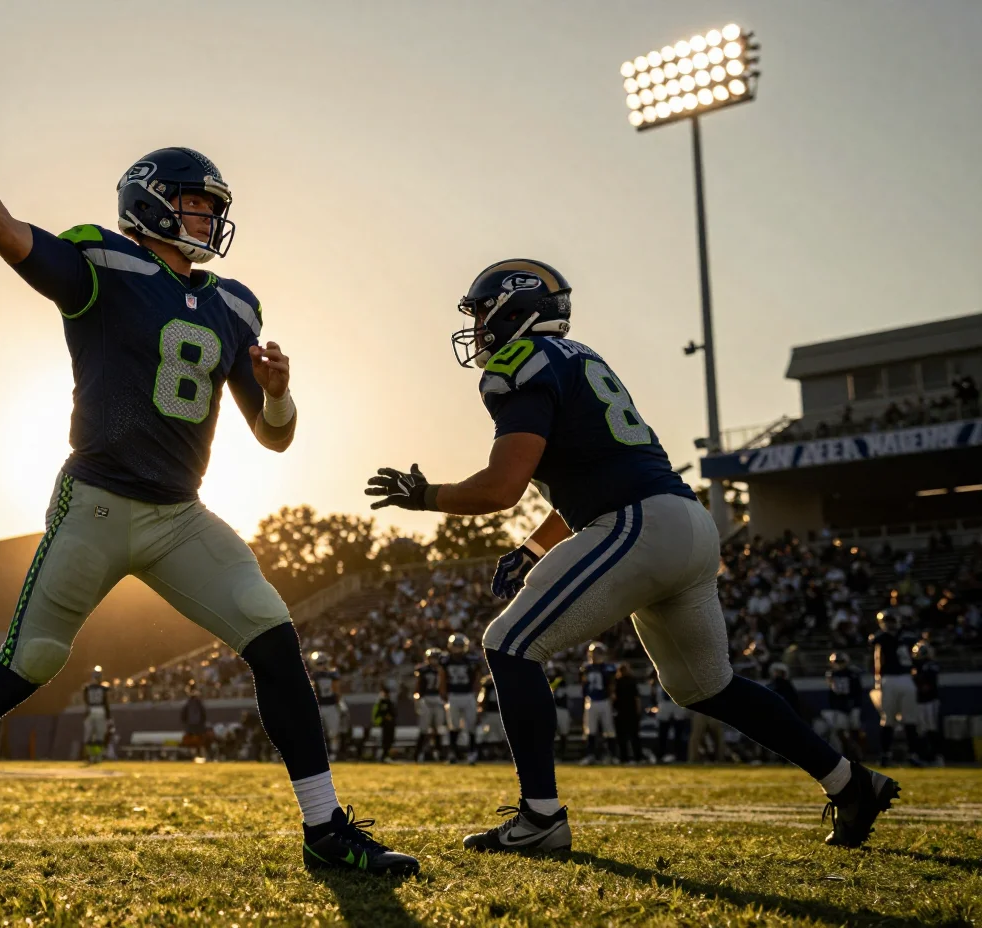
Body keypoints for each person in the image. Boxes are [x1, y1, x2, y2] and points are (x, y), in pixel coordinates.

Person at [0, 97, 415, 879]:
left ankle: (324, 829)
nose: (209, 220)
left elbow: (274, 436)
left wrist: (278, 389)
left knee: (274, 635)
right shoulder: (102, 264)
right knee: (28, 664)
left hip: (181, 516)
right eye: (195, 204)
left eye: (214, 208)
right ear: (149, 203)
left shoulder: (234, 305)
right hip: (98, 504)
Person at [366, 258, 898, 853]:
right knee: (707, 687)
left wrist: (425, 496)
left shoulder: (521, 363)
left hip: (638, 521)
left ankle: (540, 818)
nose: (480, 328)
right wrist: (533, 546)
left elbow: (501, 488)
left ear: (513, 308)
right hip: (684, 525)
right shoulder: (583, 358)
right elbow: (589, 479)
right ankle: (849, 783)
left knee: (510, 645)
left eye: (483, 312)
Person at [870, 611, 918, 764]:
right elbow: (876, 650)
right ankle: (885, 754)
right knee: (887, 719)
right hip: (888, 678)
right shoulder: (881, 638)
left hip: (906, 677)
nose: (890, 624)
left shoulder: (908, 637)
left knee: (910, 719)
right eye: (887, 621)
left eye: (892, 620)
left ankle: (913, 755)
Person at [440, 633, 481, 765]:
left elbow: (476, 678)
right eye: (455, 646)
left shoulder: (471, 660)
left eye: (460, 646)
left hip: (468, 694)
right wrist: (443, 693)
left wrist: (476, 693)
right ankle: (453, 753)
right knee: (454, 726)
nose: (457, 648)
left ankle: (472, 753)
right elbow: (442, 678)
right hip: (453, 695)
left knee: (471, 725)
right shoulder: (445, 660)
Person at [823, 652, 869, 761]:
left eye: (840, 662)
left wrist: (854, 704)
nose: (838, 664)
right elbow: (833, 693)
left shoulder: (852, 673)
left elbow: (857, 691)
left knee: (855, 730)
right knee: (840, 731)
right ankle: (847, 753)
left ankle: (859, 753)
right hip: (840, 707)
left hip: (853, 705)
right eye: (836, 662)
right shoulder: (831, 674)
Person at [578, 643, 617, 765]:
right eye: (593, 653)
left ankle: (612, 755)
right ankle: (590, 755)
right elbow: (584, 685)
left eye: (598, 653)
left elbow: (611, 681)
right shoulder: (586, 668)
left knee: (609, 729)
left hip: (605, 700)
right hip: (591, 701)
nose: (595, 655)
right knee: (590, 730)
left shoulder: (608, 668)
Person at [909, 642, 942, 766]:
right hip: (919, 701)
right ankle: (924, 756)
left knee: (931, 728)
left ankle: (936, 756)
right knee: (921, 730)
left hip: (929, 700)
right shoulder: (915, 666)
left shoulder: (930, 665)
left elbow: (927, 685)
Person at [413, 648, 447, 762]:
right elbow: (418, 686)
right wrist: (417, 699)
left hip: (437, 698)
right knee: (424, 728)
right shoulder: (423, 670)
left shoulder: (442, 670)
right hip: (426, 698)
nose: (434, 661)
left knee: (438, 728)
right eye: (432, 658)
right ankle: (417, 754)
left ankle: (439, 753)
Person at [308, 651, 345, 758]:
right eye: (319, 663)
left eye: (323, 663)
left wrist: (339, 703)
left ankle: (333, 753)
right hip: (318, 706)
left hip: (331, 705)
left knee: (333, 731)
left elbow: (337, 690)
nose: (322, 666)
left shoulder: (332, 675)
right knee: (316, 732)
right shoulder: (312, 676)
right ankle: (317, 754)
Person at [650, 666, 685, 763]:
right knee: (663, 731)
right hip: (664, 703)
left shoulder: (678, 671)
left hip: (676, 702)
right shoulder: (660, 668)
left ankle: (679, 755)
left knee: (678, 731)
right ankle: (661, 754)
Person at [611, 661, 643, 765]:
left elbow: (613, 697)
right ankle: (638, 757)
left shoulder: (617, 681)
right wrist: (638, 711)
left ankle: (624, 758)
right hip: (631, 712)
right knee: (634, 736)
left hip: (621, 712)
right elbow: (637, 698)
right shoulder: (632, 681)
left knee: (622, 737)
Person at [81, 667, 111, 765]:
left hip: (90, 711)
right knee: (99, 736)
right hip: (100, 710)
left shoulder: (87, 688)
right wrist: (109, 717)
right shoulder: (103, 688)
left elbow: (85, 701)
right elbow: (106, 702)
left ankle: (91, 756)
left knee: (89, 736)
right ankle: (97, 756)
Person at [545, 661, 572, 760]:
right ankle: (552, 755)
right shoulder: (547, 681)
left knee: (563, 733)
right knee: (550, 734)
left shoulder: (561, 682)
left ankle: (562, 754)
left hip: (561, 709)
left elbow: (556, 686)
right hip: (551, 709)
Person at [476, 674, 505, 762]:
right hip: (489, 713)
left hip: (499, 713)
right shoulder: (487, 687)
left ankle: (500, 754)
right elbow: (482, 701)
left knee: (500, 735)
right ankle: (487, 754)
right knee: (488, 734)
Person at [180, 681, 209, 760]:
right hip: (199, 726)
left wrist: (185, 723)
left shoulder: (188, 703)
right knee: (200, 742)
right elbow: (203, 714)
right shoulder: (198, 702)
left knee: (192, 743)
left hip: (190, 726)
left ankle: (194, 756)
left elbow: (183, 715)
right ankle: (202, 756)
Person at [371, 685, 397, 762]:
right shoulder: (380, 702)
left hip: (390, 725)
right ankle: (383, 756)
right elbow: (377, 713)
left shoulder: (390, 702)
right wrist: (383, 717)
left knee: (389, 740)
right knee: (385, 741)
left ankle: (386, 756)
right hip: (383, 724)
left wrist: (390, 717)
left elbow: (394, 713)